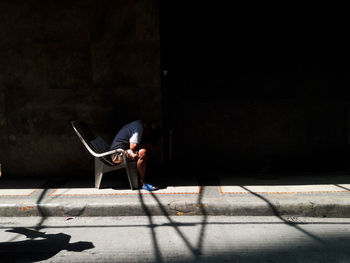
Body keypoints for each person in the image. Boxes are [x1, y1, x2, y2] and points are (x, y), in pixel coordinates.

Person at [110, 120, 161, 191]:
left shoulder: (138, 125)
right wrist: (148, 145)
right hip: (116, 155)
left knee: (144, 151)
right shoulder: (138, 128)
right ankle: (143, 182)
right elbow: (132, 147)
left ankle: (140, 177)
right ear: (147, 130)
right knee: (143, 153)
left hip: (121, 151)